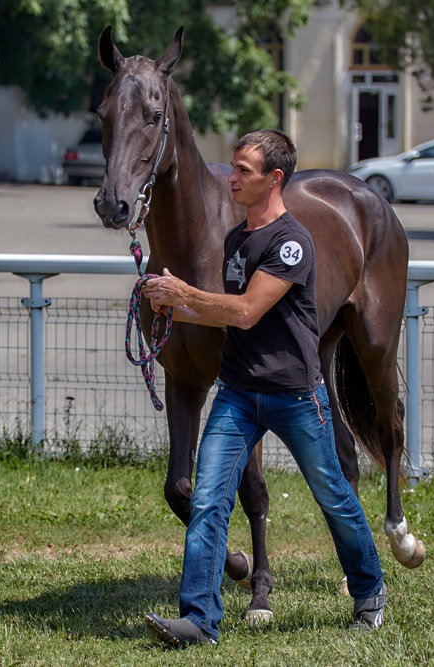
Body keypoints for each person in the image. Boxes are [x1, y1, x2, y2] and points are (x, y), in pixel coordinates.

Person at [140, 129, 386, 647]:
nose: (231, 177)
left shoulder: (292, 243)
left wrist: (187, 293)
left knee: (335, 497)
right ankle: (200, 620)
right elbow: (222, 315)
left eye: (243, 171)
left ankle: (369, 591)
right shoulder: (235, 240)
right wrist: (170, 304)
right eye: (232, 168)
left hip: (296, 396)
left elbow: (247, 311)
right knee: (208, 500)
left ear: (274, 179)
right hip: (237, 395)